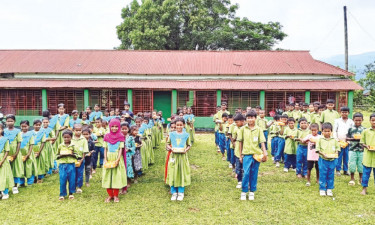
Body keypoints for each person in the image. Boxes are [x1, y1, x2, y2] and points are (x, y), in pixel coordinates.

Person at [238, 110, 267, 201]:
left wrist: (265, 153)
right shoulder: (243, 129)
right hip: (246, 154)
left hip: (256, 154)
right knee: (246, 173)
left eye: (252, 118)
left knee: (254, 173)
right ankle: (244, 191)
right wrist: (240, 155)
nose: (250, 119)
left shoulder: (259, 129)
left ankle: (252, 191)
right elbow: (240, 142)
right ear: (246, 119)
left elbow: (262, 141)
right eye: (248, 118)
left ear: (255, 118)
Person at [166, 117, 191, 201]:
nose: (179, 127)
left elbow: (189, 145)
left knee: (181, 172)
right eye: (177, 125)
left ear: (184, 125)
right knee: (173, 172)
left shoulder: (186, 135)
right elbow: (168, 144)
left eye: (181, 125)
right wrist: (171, 148)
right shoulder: (171, 134)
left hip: (182, 157)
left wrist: (185, 150)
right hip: (173, 156)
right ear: (175, 125)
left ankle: (181, 192)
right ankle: (173, 192)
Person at [102, 119, 127, 203]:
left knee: (116, 176)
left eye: (116, 126)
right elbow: (105, 148)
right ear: (109, 126)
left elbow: (120, 149)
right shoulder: (106, 136)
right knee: (108, 176)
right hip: (109, 157)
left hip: (117, 157)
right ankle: (110, 195)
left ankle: (116, 195)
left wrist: (118, 159)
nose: (114, 128)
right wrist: (105, 159)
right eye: (112, 126)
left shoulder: (121, 136)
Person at [316, 123, 340, 197]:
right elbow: (318, 149)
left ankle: (329, 188)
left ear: (331, 131)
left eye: (328, 131)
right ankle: (322, 189)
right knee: (323, 174)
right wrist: (323, 154)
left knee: (330, 174)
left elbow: (337, 148)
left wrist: (335, 153)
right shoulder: (320, 139)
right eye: (325, 131)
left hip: (332, 160)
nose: (327, 133)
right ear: (322, 131)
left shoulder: (334, 140)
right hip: (323, 159)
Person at [56, 129, 79, 200]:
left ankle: (71, 193)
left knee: (71, 179)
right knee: (62, 179)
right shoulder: (60, 146)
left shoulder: (73, 146)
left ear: (71, 137)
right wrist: (61, 156)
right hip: (62, 165)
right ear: (62, 137)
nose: (66, 139)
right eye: (65, 137)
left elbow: (77, 155)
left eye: (68, 137)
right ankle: (62, 194)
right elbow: (57, 155)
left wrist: (71, 154)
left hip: (71, 164)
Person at [4, 115, 22, 194]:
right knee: (7, 170)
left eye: (11, 121)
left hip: (15, 153)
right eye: (8, 121)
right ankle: (7, 186)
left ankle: (15, 186)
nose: (9, 123)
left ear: (14, 122)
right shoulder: (3, 131)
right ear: (6, 122)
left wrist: (16, 154)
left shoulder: (18, 131)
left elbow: (19, 143)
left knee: (15, 169)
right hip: (6, 153)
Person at [333, 107, 354, 176]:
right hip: (339, 142)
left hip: (348, 142)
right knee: (339, 156)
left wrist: (349, 140)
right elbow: (334, 131)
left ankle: (345, 170)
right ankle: (338, 170)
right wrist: (337, 140)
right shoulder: (337, 121)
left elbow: (352, 132)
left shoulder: (351, 121)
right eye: (342, 112)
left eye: (346, 112)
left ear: (348, 113)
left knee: (346, 156)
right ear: (340, 113)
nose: (344, 113)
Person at [346, 112, 365, 186]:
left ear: (362, 120)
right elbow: (346, 138)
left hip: (361, 149)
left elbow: (366, 139)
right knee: (352, 164)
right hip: (352, 149)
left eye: (359, 120)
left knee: (361, 164)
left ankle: (361, 179)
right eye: (356, 120)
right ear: (353, 120)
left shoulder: (364, 129)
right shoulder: (350, 129)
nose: (358, 122)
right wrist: (352, 138)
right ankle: (352, 178)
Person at [359, 113, 375, 195]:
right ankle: (364, 188)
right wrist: (366, 146)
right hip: (368, 156)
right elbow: (362, 143)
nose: (374, 122)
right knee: (366, 174)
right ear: (370, 121)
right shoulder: (365, 131)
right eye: (373, 120)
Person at [71, 124, 89, 194]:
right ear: (73, 131)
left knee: (80, 173)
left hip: (81, 159)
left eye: (79, 130)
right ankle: (73, 186)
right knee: (73, 173)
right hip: (72, 158)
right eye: (76, 130)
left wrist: (82, 159)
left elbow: (85, 150)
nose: (78, 132)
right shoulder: (71, 138)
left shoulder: (83, 139)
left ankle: (79, 187)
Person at [19, 120, 37, 187]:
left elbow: (31, 145)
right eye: (22, 126)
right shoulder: (19, 134)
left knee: (29, 168)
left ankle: (30, 182)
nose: (24, 128)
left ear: (28, 126)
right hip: (20, 154)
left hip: (28, 154)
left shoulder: (30, 134)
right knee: (21, 168)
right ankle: (21, 182)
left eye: (25, 126)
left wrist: (28, 154)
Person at [0, 124, 14, 200]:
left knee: (4, 176)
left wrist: (1, 161)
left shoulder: (5, 139)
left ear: (2, 130)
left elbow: (7, 151)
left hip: (3, 161)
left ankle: (5, 192)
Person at [232, 113, 245, 189]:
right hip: (237, 151)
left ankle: (245, 180)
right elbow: (233, 139)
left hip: (245, 150)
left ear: (242, 121)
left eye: (237, 122)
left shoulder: (246, 128)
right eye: (235, 122)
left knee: (245, 167)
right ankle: (239, 181)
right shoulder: (236, 129)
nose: (236, 124)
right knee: (238, 167)